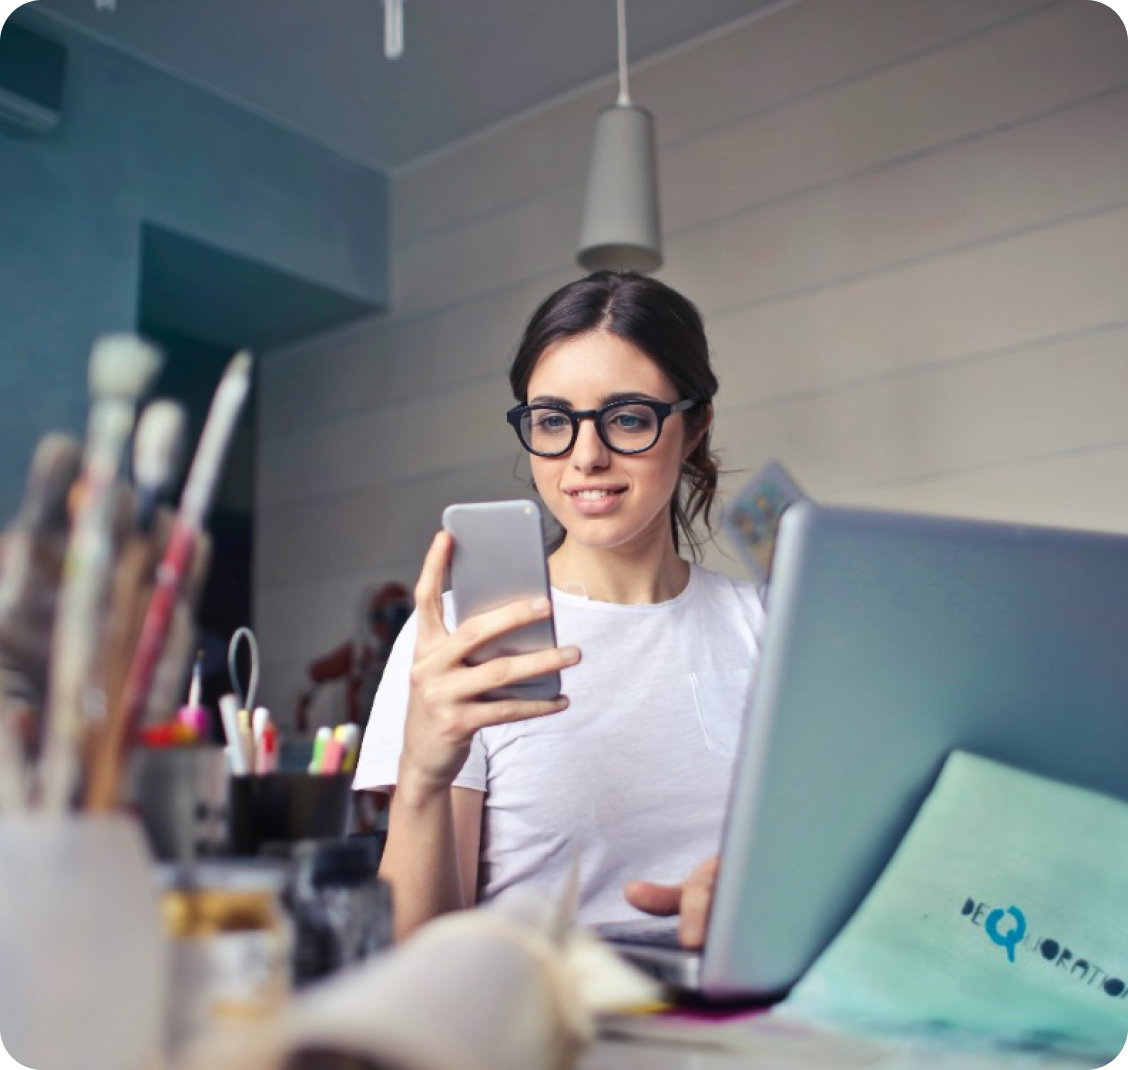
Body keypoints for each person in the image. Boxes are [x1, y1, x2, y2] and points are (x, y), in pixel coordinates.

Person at [353, 270, 764, 944]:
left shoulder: (770, 629)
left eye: (628, 418)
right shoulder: (462, 639)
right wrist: (423, 776)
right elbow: (417, 956)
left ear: (694, 428)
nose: (586, 456)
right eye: (553, 422)